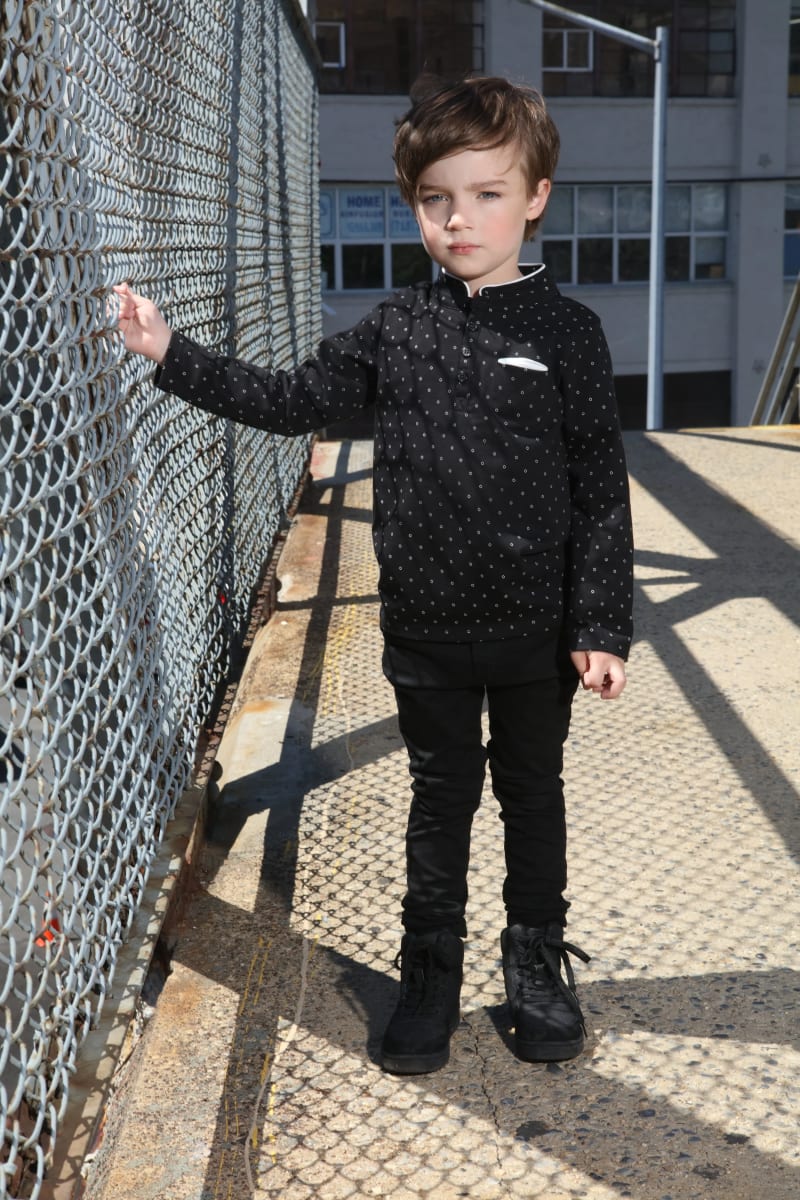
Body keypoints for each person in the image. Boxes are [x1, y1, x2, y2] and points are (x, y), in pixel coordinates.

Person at [114, 75, 633, 1076]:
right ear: (413, 207)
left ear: (535, 197)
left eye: (486, 194)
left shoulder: (569, 333)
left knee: (533, 796)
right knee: (440, 801)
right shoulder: (396, 330)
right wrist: (169, 350)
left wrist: (600, 625)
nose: (459, 219)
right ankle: (429, 971)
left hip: (537, 633)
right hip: (428, 631)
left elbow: (600, 491)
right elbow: (288, 399)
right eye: (436, 199)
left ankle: (535, 962)